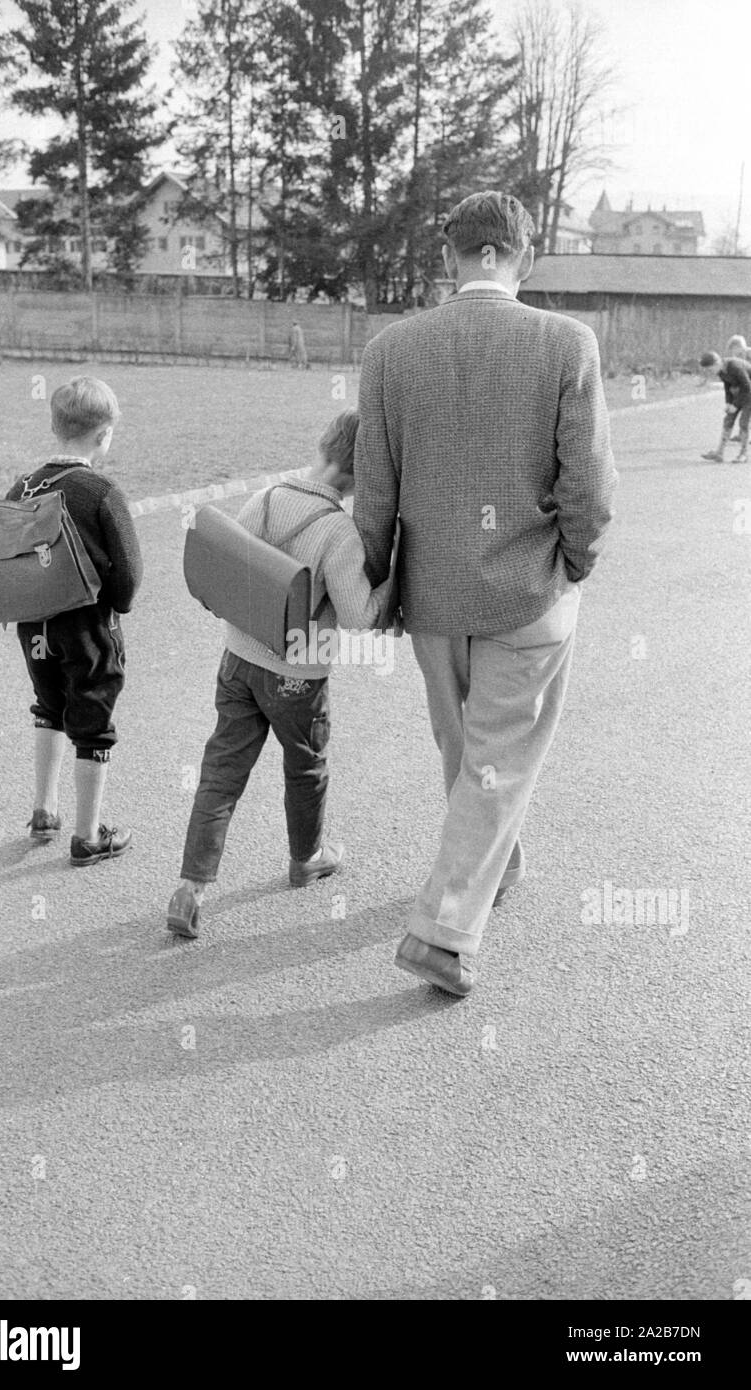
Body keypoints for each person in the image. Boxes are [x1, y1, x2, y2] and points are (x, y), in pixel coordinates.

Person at [353, 190, 617, 998]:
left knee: (467, 747)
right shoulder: (567, 343)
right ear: (523, 256)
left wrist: (376, 579)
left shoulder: (390, 351)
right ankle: (442, 932)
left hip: (432, 595)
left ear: (449, 257)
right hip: (525, 591)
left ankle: (490, 866)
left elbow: (373, 492)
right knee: (497, 752)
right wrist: (575, 563)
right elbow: (592, 489)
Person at [167, 410, 391, 939]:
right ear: (368, 477)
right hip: (298, 675)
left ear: (324, 444)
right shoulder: (339, 531)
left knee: (221, 772)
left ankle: (190, 887)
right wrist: (390, 586)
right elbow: (358, 616)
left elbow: (229, 569)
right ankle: (307, 856)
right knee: (305, 767)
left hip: (239, 660)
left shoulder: (265, 498)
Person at [4, 376, 143, 864]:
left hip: (34, 625)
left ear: (55, 425)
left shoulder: (24, 485)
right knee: (92, 717)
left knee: (48, 704)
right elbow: (128, 572)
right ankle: (88, 836)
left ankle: (44, 809)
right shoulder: (101, 490)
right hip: (87, 627)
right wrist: (119, 605)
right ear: (104, 434)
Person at [700, 351, 750, 463]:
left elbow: (747, 386)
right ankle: (720, 452)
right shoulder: (721, 371)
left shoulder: (735, 367)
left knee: (743, 422)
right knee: (728, 419)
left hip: (749, 391)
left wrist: (735, 405)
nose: (709, 372)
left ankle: (743, 454)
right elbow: (727, 385)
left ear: (717, 363)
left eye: (709, 369)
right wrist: (728, 402)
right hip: (741, 392)